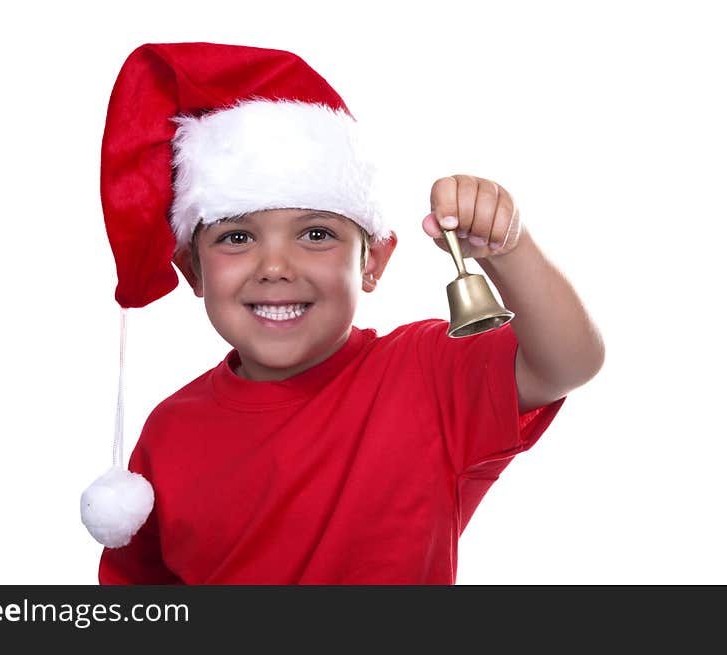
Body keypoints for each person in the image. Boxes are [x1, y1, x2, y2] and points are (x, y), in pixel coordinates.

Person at [91, 42, 604, 584]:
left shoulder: (425, 375)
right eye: (237, 236)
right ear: (193, 271)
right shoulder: (170, 431)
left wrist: (509, 250)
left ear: (373, 262)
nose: (275, 266)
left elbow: (569, 362)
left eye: (316, 234)